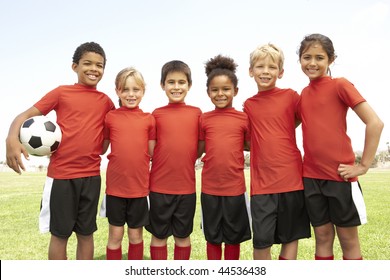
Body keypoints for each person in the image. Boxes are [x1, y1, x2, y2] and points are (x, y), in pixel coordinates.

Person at [5, 42, 115, 260]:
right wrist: (11, 138)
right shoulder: (61, 93)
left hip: (91, 177)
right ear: (74, 66)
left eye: (99, 65)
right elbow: (23, 116)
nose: (94, 69)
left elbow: (104, 143)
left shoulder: (106, 102)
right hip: (62, 178)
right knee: (60, 235)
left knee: (86, 234)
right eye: (88, 63)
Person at [297, 33, 384, 260]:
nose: (312, 63)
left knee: (348, 240)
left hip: (340, 178)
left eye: (319, 57)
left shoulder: (340, 85)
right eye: (307, 57)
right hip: (312, 179)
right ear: (299, 60)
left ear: (331, 60)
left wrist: (363, 165)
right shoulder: (303, 95)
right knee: (323, 237)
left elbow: (375, 123)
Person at [243, 43, 311, 260]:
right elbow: (246, 141)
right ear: (251, 71)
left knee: (290, 238)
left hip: (292, 180)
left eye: (272, 67)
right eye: (260, 66)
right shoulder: (248, 105)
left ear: (280, 72)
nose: (265, 71)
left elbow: (300, 119)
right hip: (262, 186)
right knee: (262, 242)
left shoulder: (291, 96)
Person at [145, 60, 202, 260]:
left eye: (181, 82)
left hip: (186, 189)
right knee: (158, 236)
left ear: (189, 85)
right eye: (171, 82)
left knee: (182, 236)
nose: (176, 87)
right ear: (162, 85)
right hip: (159, 188)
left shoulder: (197, 114)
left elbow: (199, 147)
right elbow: (151, 149)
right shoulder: (156, 115)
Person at [198, 55, 251, 260]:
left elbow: (250, 145)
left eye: (226, 89)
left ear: (235, 91)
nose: (220, 94)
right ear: (208, 92)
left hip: (235, 188)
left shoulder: (243, 118)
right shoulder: (203, 119)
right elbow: (198, 150)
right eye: (215, 89)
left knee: (233, 237)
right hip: (210, 189)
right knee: (212, 237)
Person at [100, 67, 156, 260]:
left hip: (139, 189)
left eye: (136, 90)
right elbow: (101, 148)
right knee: (115, 236)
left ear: (143, 91)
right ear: (117, 91)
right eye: (125, 90)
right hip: (115, 189)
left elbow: (152, 152)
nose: (131, 94)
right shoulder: (110, 117)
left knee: (135, 236)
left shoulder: (149, 120)